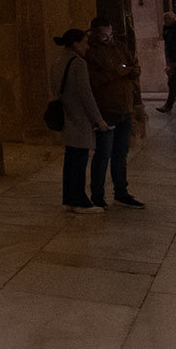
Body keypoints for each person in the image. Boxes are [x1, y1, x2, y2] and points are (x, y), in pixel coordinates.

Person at [84, 16, 145, 209]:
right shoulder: (91, 54)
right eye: (104, 35)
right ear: (94, 34)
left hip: (124, 108)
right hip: (106, 110)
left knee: (121, 154)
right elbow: (94, 80)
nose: (108, 38)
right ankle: (97, 195)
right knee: (103, 154)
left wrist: (130, 70)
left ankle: (121, 192)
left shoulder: (120, 47)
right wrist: (117, 73)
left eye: (110, 34)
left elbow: (134, 66)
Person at [53, 29, 110, 213]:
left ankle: (69, 199)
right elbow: (86, 95)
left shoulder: (58, 61)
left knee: (70, 161)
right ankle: (80, 201)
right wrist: (99, 120)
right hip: (79, 117)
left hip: (65, 115)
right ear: (76, 44)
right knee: (78, 161)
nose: (87, 47)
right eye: (85, 43)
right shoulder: (78, 63)